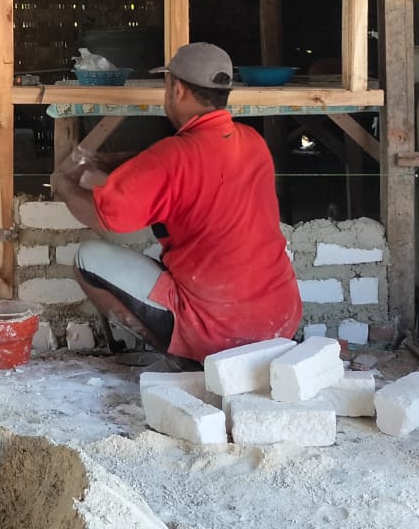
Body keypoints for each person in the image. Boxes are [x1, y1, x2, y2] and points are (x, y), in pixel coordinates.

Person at [51, 42, 300, 364]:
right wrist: (112, 162)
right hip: (279, 323)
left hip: (216, 332)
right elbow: (171, 165)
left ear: (179, 90)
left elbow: (104, 217)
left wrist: (64, 186)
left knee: (87, 258)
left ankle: (186, 357)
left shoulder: (171, 156)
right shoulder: (253, 142)